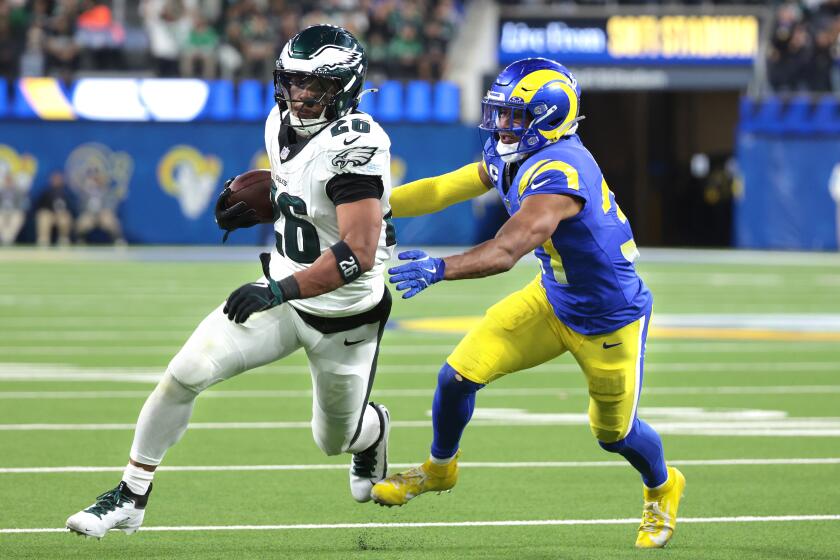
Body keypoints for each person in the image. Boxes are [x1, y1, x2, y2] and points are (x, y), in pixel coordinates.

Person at [66, 24, 396, 538]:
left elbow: (357, 250)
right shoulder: (277, 123)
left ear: (346, 89)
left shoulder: (356, 145)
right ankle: (131, 494)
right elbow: (304, 199)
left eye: (317, 87)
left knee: (336, 438)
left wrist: (278, 289)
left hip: (343, 315)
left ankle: (372, 431)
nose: (301, 96)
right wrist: (267, 204)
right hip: (284, 294)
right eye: (293, 82)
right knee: (185, 372)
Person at [370, 58, 686, 549]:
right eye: (499, 113)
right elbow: (441, 189)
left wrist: (440, 267)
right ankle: (438, 468)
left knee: (615, 434)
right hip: (552, 298)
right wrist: (371, 203)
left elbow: (506, 250)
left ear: (549, 116)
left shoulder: (561, 169)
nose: (501, 125)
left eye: (514, 116)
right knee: (457, 376)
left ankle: (662, 488)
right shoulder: (511, 156)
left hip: (608, 320)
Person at [35, 170, 74, 247]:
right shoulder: (46, 191)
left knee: (64, 218)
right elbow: (39, 206)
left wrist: (64, 212)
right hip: (49, 214)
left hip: (62, 215)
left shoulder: (67, 192)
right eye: (55, 178)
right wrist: (48, 211)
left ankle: (63, 239)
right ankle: (43, 241)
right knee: (44, 217)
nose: (56, 180)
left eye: (59, 178)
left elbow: (72, 207)